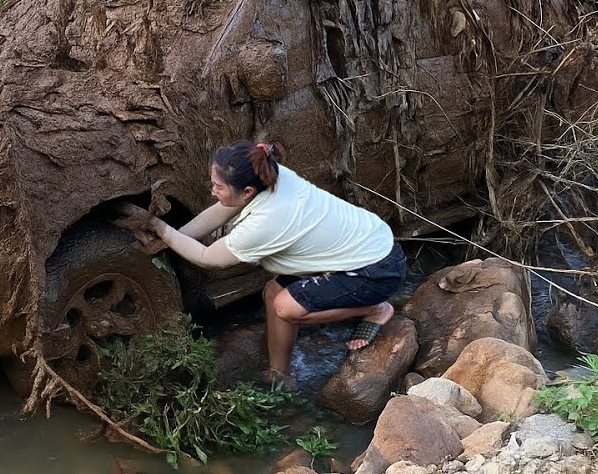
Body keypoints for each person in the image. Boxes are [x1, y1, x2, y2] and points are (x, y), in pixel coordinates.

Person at [120, 141, 407, 385]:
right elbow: (219, 211)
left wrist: (158, 227)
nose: (212, 191)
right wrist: (174, 237)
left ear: (246, 193)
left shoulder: (266, 221)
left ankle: (375, 308)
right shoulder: (267, 176)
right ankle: (279, 375)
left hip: (375, 269)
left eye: (218, 186)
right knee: (272, 292)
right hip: (362, 245)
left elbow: (207, 258)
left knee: (285, 306)